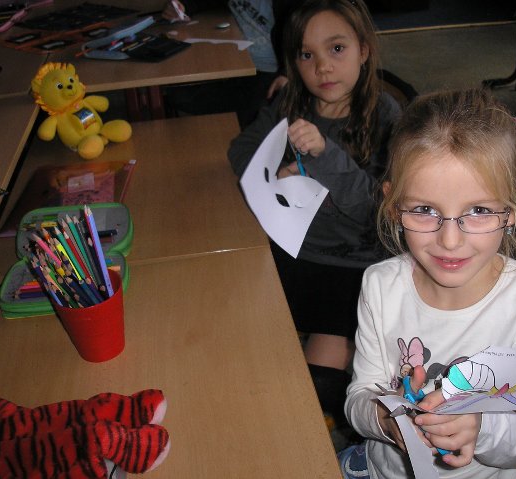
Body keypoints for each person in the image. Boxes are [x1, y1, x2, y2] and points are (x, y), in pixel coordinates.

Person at [340, 88, 516, 478]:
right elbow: (359, 396)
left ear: (513, 209)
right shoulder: (380, 285)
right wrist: (384, 418)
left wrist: (482, 428)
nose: (449, 240)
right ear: (393, 206)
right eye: (424, 209)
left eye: (478, 210)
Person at [228, 0, 401, 426]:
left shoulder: (386, 116)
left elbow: (377, 212)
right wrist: (277, 171)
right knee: (240, 345)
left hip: (353, 265)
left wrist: (326, 156)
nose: (323, 66)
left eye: (337, 49)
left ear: (364, 50)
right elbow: (241, 150)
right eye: (307, 55)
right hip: (290, 251)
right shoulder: (292, 103)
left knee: (313, 386)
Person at [162, 0, 299, 128]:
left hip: (270, 72)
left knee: (253, 124)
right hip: (239, 63)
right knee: (178, 96)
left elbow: (301, 35)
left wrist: (287, 74)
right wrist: (183, 6)